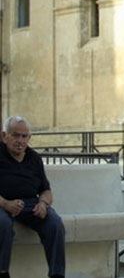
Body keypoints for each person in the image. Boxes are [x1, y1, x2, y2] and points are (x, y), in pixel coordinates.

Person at [0, 116, 65, 278]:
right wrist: (6, 203)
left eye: (24, 136)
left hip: (31, 204)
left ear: (29, 138)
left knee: (55, 224)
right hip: (2, 204)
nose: (20, 140)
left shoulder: (34, 158)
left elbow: (46, 190)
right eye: (15, 135)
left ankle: (57, 274)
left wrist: (43, 204)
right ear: (4, 136)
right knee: (2, 224)